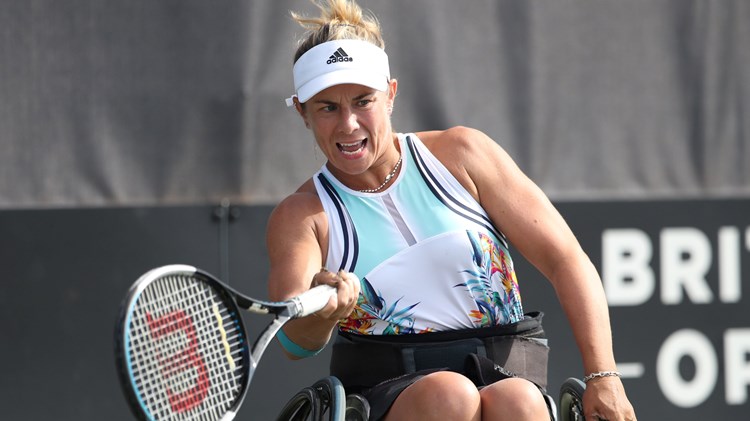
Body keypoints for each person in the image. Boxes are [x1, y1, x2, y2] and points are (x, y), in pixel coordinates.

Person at [267, 0, 636, 420]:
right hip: (388, 392)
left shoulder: (463, 153)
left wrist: (603, 376)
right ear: (302, 111)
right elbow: (295, 340)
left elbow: (566, 259)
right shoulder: (300, 215)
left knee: (519, 401)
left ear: (390, 94)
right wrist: (325, 316)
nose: (348, 124)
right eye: (327, 107)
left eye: (362, 100)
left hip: (508, 375)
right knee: (451, 395)